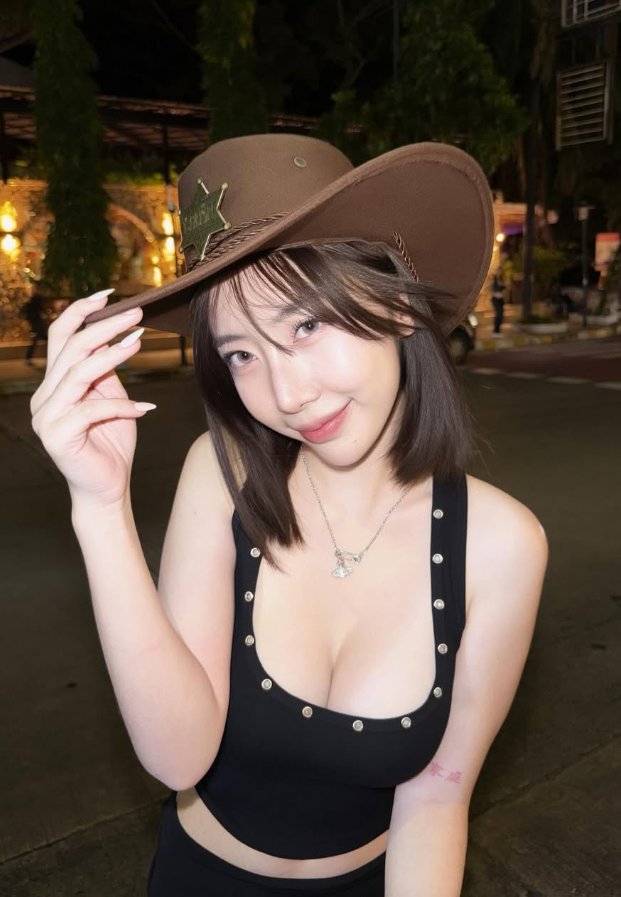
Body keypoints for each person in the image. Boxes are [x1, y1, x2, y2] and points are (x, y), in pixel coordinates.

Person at [30, 135, 548, 896]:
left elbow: (438, 798)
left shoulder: (502, 544)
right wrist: (100, 506)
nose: (287, 393)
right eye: (241, 354)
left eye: (306, 325)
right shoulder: (224, 476)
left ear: (394, 304)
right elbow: (178, 758)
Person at [490, 269, 505, 334]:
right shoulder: (494, 281)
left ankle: (498, 330)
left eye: (500, 271)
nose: (499, 273)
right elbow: (492, 291)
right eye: (498, 271)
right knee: (498, 314)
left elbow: (504, 289)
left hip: (501, 299)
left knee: (501, 315)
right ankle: (496, 331)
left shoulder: (502, 280)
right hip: (495, 299)